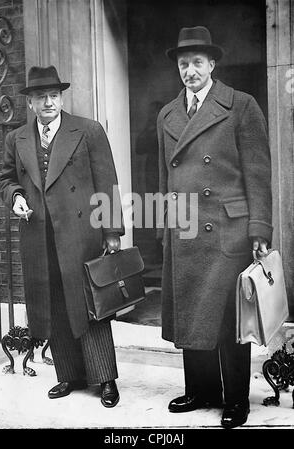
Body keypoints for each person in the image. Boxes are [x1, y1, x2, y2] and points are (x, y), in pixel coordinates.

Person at [157, 26, 272, 428]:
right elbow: (163, 177)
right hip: (185, 226)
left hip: (227, 229)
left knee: (227, 320)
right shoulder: (167, 114)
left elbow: (257, 173)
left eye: (197, 63)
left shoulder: (240, 106)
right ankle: (201, 391)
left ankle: (236, 399)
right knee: (192, 312)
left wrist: (259, 229)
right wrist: (163, 227)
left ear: (212, 64)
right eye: (184, 64)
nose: (190, 70)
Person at [0, 65, 124, 408]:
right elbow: (6, 179)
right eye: (41, 97)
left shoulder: (87, 130)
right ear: (30, 103)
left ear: (61, 98)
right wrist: (17, 197)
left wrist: (112, 233)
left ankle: (105, 379)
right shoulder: (17, 138)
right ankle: (69, 375)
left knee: (89, 304)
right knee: (53, 304)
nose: (48, 102)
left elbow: (107, 183)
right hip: (38, 235)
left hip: (81, 234)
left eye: (54, 95)